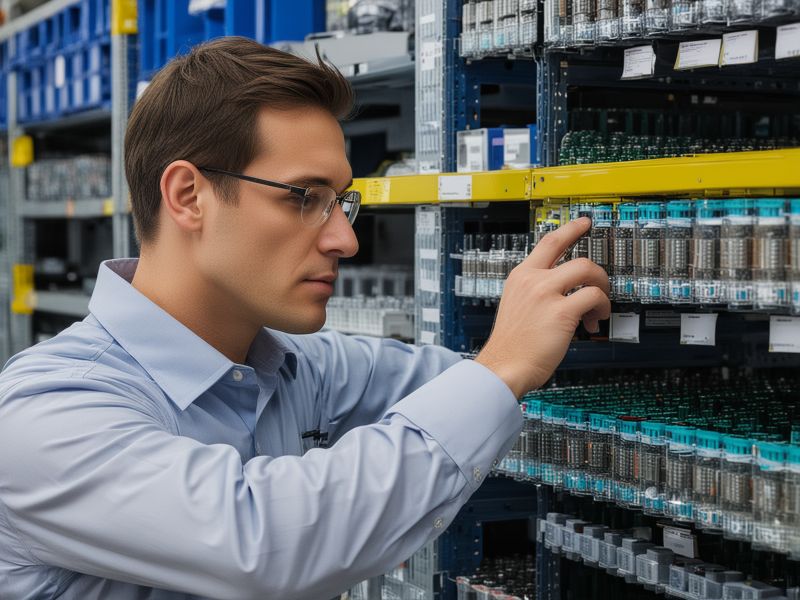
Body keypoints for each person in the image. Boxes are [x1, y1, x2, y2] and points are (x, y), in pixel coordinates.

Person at [0, 37, 610, 599]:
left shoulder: (297, 368)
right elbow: (260, 545)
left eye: (341, 201)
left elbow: (470, 384)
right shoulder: (47, 414)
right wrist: (503, 368)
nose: (346, 240)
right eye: (302, 197)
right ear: (188, 196)